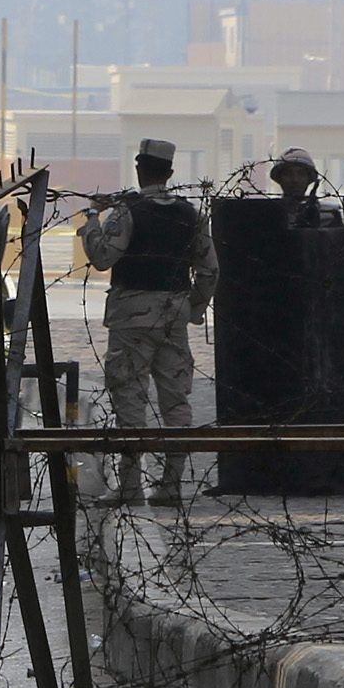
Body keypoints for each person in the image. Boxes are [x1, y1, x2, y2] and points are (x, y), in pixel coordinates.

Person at [77, 136, 214, 507]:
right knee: (175, 400)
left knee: (130, 398)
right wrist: (194, 308)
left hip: (132, 316)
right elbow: (209, 270)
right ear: (170, 172)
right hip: (174, 315)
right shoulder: (191, 214)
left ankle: (130, 484)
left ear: (139, 169)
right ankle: (171, 484)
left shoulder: (127, 212)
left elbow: (103, 257)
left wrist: (92, 217)